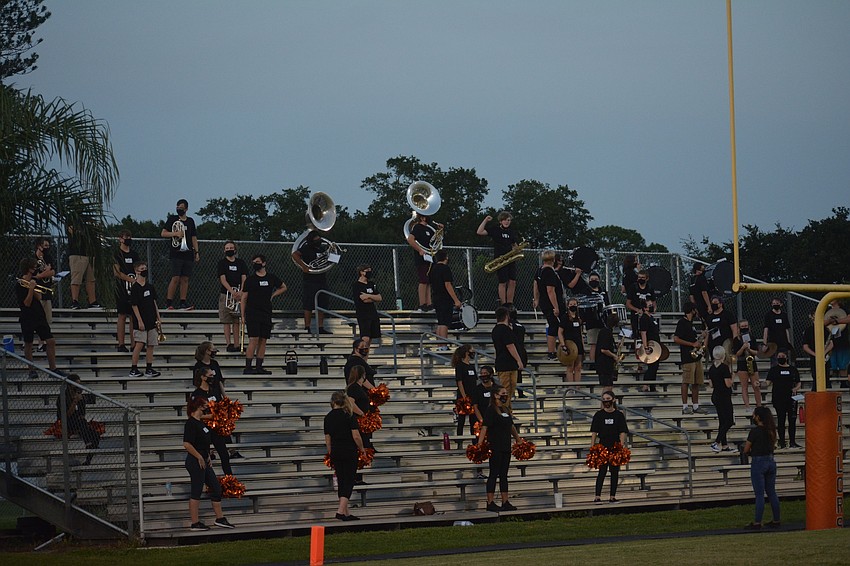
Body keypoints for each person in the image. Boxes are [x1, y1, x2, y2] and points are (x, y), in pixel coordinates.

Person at [182, 396, 234, 531]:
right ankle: (195, 522)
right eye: (203, 403)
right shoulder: (191, 423)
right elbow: (187, 444)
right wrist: (199, 456)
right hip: (195, 460)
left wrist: (207, 456)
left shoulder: (201, 423)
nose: (206, 404)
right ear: (198, 405)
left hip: (204, 460)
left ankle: (220, 518)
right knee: (196, 491)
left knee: (216, 488)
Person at [477, 385, 523, 512]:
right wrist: (479, 444)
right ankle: (490, 502)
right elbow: (485, 427)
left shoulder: (506, 409)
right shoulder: (491, 410)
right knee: (493, 474)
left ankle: (505, 501)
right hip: (495, 446)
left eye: (506, 393)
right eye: (503, 393)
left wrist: (518, 439)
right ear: (496, 395)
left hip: (506, 446)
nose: (505, 395)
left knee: (504, 475)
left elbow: (511, 426)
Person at [240, 255, 287, 375]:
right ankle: (248, 367)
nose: (256, 264)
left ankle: (259, 366)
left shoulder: (271, 278)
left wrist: (273, 295)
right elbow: (244, 297)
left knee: (263, 340)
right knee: (253, 339)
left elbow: (283, 287)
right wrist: (243, 314)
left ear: (264, 263)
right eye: (254, 262)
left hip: (265, 312)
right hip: (252, 312)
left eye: (258, 262)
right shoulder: (250, 280)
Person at [324, 391, 365, 521]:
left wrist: (330, 452)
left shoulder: (328, 417)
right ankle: (340, 511)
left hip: (336, 451)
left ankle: (346, 513)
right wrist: (362, 449)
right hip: (348, 450)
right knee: (349, 480)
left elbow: (327, 439)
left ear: (333, 402)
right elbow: (356, 436)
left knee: (342, 480)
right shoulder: (349, 415)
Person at [17, 258, 60, 376]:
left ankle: (53, 369)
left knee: (50, 341)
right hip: (27, 317)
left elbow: (39, 297)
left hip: (39, 316)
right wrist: (30, 289)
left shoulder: (33, 280)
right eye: (33, 267)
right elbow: (26, 303)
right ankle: (31, 370)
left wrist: (34, 287)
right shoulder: (20, 283)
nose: (35, 269)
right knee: (29, 343)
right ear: (28, 269)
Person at [190, 365, 233, 476]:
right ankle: (208, 481)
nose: (212, 377)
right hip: (203, 430)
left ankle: (230, 479)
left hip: (216, 429)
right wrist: (210, 417)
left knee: (224, 455)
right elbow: (192, 415)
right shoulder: (197, 394)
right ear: (203, 377)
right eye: (210, 375)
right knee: (205, 456)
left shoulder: (214, 391)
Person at [742, 406, 781, 530]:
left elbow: (746, 449)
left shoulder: (755, 431)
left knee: (759, 495)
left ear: (758, 417)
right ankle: (776, 519)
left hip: (758, 462)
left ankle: (757, 522)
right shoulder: (771, 430)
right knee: (772, 492)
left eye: (754, 415)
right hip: (770, 461)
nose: (753, 417)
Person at [590, 391, 629, 504]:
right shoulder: (598, 415)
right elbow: (594, 432)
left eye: (608, 398)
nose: (606, 401)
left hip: (615, 446)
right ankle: (597, 496)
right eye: (604, 399)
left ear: (613, 400)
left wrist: (621, 446)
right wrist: (592, 446)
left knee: (614, 472)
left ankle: (612, 496)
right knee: (602, 471)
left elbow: (623, 431)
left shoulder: (619, 415)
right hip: (602, 446)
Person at [161, 198, 199, 310]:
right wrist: (176, 233)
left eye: (181, 208)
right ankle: (169, 302)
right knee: (176, 277)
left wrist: (196, 252)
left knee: (185, 279)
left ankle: (183, 301)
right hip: (176, 252)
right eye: (178, 207)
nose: (179, 209)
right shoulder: (172, 219)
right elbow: (163, 233)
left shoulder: (190, 221)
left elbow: (193, 237)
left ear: (186, 209)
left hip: (188, 252)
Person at [292, 230, 332, 334]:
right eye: (316, 239)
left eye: (319, 238)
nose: (318, 240)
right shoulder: (306, 248)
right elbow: (295, 255)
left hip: (322, 279)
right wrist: (304, 266)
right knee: (308, 304)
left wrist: (334, 251)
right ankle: (307, 327)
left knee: (322, 304)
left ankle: (320, 327)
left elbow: (331, 260)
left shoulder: (323, 248)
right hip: (309, 280)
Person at [476, 212, 520, 307]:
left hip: (510, 258)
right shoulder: (495, 230)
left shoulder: (511, 232)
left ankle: (510, 303)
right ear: (501, 221)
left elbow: (514, 244)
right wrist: (485, 220)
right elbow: (479, 231)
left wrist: (517, 249)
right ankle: (503, 303)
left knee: (512, 281)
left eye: (508, 220)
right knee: (502, 281)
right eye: (505, 220)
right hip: (500, 259)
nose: (507, 222)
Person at [56, 374, 101, 465]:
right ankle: (88, 442)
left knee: (96, 435)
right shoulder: (63, 397)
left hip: (79, 423)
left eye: (79, 384)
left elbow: (82, 414)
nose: (78, 386)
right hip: (66, 422)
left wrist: (80, 401)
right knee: (81, 422)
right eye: (75, 384)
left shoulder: (80, 395)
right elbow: (66, 415)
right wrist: (75, 401)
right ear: (70, 385)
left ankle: (88, 459)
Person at [128, 261, 162, 378]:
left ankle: (149, 367)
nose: (144, 270)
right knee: (139, 344)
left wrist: (158, 317)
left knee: (151, 344)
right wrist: (140, 321)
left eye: (145, 268)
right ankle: (134, 368)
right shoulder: (135, 288)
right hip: (141, 321)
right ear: (137, 271)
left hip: (151, 320)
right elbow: (134, 305)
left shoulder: (150, 287)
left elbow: (154, 303)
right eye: (142, 268)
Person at [673, 302, 708, 415]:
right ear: (692, 310)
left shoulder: (691, 323)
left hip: (696, 356)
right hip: (687, 356)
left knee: (697, 382)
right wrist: (691, 344)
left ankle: (696, 405)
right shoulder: (682, 322)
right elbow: (676, 339)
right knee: (686, 381)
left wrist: (702, 337)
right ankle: (684, 406)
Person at [765, 349, 801, 449]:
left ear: (786, 358)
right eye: (779, 357)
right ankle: (782, 441)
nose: (781, 358)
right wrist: (760, 384)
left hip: (791, 398)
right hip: (778, 398)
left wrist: (795, 389)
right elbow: (768, 382)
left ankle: (792, 441)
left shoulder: (793, 369)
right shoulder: (774, 370)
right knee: (781, 420)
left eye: (782, 356)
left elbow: (798, 382)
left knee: (792, 420)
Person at [345, 365, 375, 485]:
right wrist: (362, 414)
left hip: (362, 423)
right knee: (359, 449)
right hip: (358, 422)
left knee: (363, 449)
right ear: (362, 375)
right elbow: (350, 404)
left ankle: (359, 477)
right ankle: (356, 477)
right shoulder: (354, 388)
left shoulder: (358, 387)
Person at [216, 240, 248, 352]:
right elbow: (222, 279)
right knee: (226, 320)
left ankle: (237, 344)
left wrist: (241, 291)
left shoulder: (241, 263)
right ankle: (228, 344)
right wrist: (232, 291)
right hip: (226, 294)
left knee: (236, 320)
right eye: (227, 248)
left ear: (235, 249)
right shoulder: (222, 263)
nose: (229, 250)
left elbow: (244, 277)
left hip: (239, 294)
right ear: (224, 250)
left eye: (231, 248)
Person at [533, 250, 565, 360]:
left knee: (554, 324)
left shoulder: (540, 270)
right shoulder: (549, 272)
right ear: (553, 260)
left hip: (543, 302)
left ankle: (555, 350)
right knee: (554, 325)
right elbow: (550, 290)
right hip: (551, 303)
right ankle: (552, 351)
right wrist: (556, 307)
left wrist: (536, 299)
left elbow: (535, 285)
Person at [406, 213, 440, 312]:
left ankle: (429, 304)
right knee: (423, 280)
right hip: (422, 258)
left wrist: (440, 230)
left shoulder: (429, 229)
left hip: (430, 257)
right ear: (423, 218)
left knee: (429, 281)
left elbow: (436, 241)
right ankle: (422, 304)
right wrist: (419, 250)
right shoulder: (417, 228)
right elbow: (410, 239)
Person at [491, 306, 523, 410]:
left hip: (503, 363)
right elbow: (510, 345)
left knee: (508, 391)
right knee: (506, 390)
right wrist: (519, 360)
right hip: (507, 364)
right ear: (506, 316)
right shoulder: (504, 329)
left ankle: (508, 411)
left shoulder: (496, 329)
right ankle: (503, 411)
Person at [428, 249, 462, 345]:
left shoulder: (433, 269)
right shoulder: (445, 268)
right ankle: (443, 345)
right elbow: (448, 285)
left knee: (440, 322)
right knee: (445, 323)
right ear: (446, 257)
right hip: (444, 298)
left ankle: (439, 344)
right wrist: (456, 300)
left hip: (436, 297)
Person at [113, 230, 138, 352]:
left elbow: (139, 268)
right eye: (126, 237)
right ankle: (121, 344)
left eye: (130, 237)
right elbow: (117, 272)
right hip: (122, 288)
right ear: (120, 239)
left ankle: (134, 344)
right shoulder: (117, 254)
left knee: (133, 316)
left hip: (133, 289)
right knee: (122, 315)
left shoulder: (134, 254)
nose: (128, 239)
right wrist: (129, 279)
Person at [66, 224, 101, 309]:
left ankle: (92, 301)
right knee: (76, 278)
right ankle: (75, 301)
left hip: (90, 253)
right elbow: (72, 230)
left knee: (91, 279)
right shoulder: (73, 219)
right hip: (77, 253)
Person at [708, 346, 735, 453]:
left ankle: (724, 445)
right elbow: (728, 384)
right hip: (724, 396)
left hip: (716, 396)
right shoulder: (724, 367)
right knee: (729, 421)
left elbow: (711, 385)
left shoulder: (711, 368)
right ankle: (717, 442)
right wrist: (733, 377)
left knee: (722, 421)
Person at [581, 272, 610, 367]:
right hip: (591, 322)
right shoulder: (586, 292)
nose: (594, 281)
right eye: (592, 279)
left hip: (603, 322)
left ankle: (601, 362)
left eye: (596, 279)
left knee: (603, 344)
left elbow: (608, 305)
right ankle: (592, 363)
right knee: (593, 343)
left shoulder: (603, 292)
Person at [733, 320, 762, 410]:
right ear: (739, 328)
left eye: (746, 325)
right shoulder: (736, 340)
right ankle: (747, 406)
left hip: (751, 361)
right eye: (742, 326)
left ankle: (759, 405)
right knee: (744, 386)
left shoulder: (752, 338)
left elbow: (756, 352)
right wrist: (743, 348)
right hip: (742, 363)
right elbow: (736, 354)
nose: (744, 327)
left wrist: (749, 349)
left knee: (756, 385)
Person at [33, 237, 55, 351]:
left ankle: (45, 342)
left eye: (48, 246)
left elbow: (52, 271)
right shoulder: (33, 259)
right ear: (39, 246)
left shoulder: (48, 257)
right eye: (45, 246)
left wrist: (43, 273)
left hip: (47, 290)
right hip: (37, 291)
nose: (47, 248)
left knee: (47, 319)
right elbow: (35, 274)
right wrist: (44, 273)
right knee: (39, 318)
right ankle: (39, 342)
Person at [353, 264, 382, 347]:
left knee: (371, 338)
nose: (369, 272)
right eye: (367, 271)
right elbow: (363, 299)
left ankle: (365, 357)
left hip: (372, 313)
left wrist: (369, 295)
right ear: (361, 272)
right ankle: (361, 355)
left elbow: (379, 297)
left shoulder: (371, 284)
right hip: (363, 314)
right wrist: (372, 298)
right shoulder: (356, 285)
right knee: (365, 338)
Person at [452, 345, 479, 436]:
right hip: (463, 396)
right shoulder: (460, 366)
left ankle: (474, 440)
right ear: (467, 352)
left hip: (473, 395)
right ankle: (459, 438)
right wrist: (464, 397)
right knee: (461, 419)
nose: (473, 352)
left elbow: (474, 381)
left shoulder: (471, 366)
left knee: (473, 420)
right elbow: (459, 382)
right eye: (472, 350)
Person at [803, 312, 832, 391]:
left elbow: (831, 344)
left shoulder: (826, 329)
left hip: (825, 357)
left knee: (826, 378)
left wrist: (824, 353)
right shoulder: (808, 330)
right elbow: (805, 346)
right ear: (812, 317)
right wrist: (816, 355)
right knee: (816, 378)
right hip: (814, 358)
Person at [637, 297, 661, 392]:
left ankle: (652, 385)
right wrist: (646, 346)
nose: (651, 307)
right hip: (651, 344)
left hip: (656, 344)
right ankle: (646, 384)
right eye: (649, 305)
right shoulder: (644, 318)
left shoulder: (651, 317)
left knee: (655, 365)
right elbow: (643, 333)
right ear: (645, 308)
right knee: (652, 366)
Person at [706, 296, 738, 367]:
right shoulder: (709, 317)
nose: (713, 305)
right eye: (712, 303)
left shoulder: (728, 314)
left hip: (725, 342)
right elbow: (708, 330)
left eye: (715, 303)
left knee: (725, 363)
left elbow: (734, 328)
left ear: (720, 304)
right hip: (713, 343)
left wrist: (735, 340)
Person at [558, 296, 584, 383]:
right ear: (568, 305)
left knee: (578, 366)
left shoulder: (579, 317)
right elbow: (560, 332)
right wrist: (563, 345)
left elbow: (580, 332)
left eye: (575, 304)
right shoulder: (565, 317)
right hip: (569, 344)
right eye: (571, 304)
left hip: (578, 344)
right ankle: (571, 387)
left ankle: (577, 386)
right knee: (570, 366)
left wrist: (583, 345)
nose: (573, 306)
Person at [825, 300, 850, 388]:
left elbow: (848, 319)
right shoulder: (826, 309)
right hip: (829, 339)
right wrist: (830, 321)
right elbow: (822, 322)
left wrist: (837, 320)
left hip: (842, 340)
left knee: (843, 363)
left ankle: (844, 383)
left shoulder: (845, 309)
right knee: (831, 362)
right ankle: (829, 383)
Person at [762, 298, 792, 366]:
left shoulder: (784, 315)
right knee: (774, 362)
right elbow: (766, 329)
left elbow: (786, 329)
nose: (776, 305)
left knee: (784, 361)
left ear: (781, 304)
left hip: (783, 342)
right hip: (773, 343)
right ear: (772, 304)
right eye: (774, 303)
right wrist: (765, 343)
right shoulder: (768, 315)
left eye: (777, 303)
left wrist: (788, 342)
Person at [595, 313, 620, 395]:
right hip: (604, 364)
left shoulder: (607, 331)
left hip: (607, 364)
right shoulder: (606, 332)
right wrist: (614, 356)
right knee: (607, 388)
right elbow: (604, 349)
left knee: (609, 387)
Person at [626, 269, 654, 338]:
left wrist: (651, 310)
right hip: (636, 315)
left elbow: (654, 302)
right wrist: (637, 310)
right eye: (639, 277)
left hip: (647, 315)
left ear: (647, 279)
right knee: (636, 334)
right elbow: (628, 304)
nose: (640, 279)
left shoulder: (650, 288)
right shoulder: (633, 287)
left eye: (642, 278)